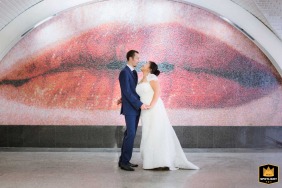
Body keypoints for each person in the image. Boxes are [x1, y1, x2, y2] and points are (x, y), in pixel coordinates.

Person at [136, 61, 200, 170]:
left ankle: (162, 161)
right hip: (145, 110)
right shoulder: (140, 79)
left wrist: (151, 105)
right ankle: (151, 161)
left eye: (146, 63)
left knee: (157, 132)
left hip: (154, 108)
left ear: (150, 69)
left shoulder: (151, 77)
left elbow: (157, 92)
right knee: (148, 133)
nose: (143, 63)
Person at [118, 50, 149, 171]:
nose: (138, 60)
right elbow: (127, 91)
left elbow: (133, 90)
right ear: (130, 58)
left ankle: (124, 160)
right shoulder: (124, 72)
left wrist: (122, 99)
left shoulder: (134, 73)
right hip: (131, 109)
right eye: (137, 58)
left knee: (129, 134)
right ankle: (125, 162)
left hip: (135, 107)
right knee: (130, 134)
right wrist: (139, 104)